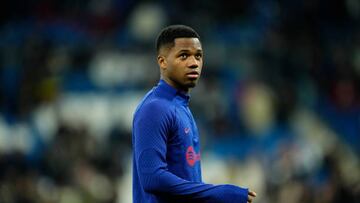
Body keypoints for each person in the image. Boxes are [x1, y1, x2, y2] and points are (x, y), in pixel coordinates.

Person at [132, 24, 257, 203]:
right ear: (162, 62)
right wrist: (218, 193)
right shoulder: (155, 108)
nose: (194, 63)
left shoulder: (181, 107)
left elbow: (187, 183)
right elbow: (152, 178)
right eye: (184, 56)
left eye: (198, 56)